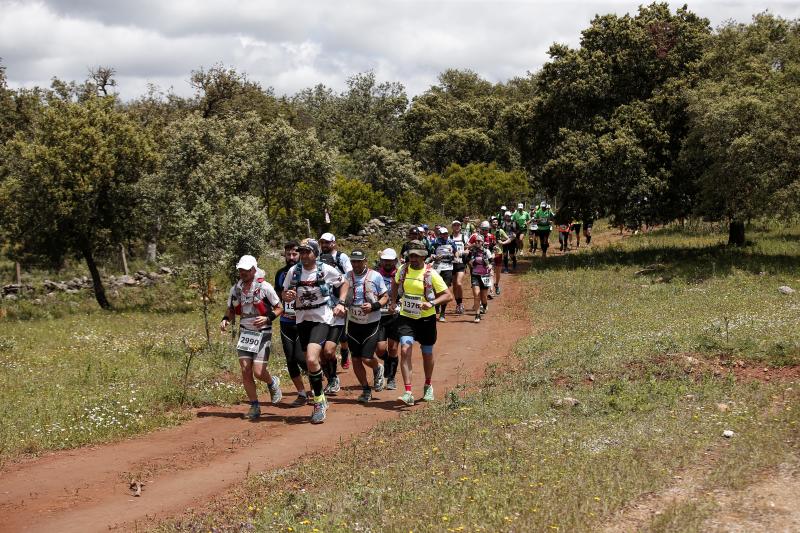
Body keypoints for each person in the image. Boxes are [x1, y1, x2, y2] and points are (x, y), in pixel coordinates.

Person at [282, 239, 349, 424]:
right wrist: (287, 295)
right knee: (312, 363)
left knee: (311, 359)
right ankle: (322, 396)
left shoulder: (325, 269)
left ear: (315, 253)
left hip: (322, 317)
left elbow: (344, 284)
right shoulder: (293, 271)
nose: (303, 256)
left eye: (307, 252)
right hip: (302, 319)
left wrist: (342, 303)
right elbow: (284, 291)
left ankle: (319, 403)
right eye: (301, 252)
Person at [221, 255, 284, 420]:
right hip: (245, 332)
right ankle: (255, 405)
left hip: (262, 332)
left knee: (258, 371)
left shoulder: (265, 287)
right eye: (241, 270)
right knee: (245, 369)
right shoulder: (235, 289)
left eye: (247, 270)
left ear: (254, 270)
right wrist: (225, 320)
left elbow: (279, 308)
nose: (243, 273)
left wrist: (267, 317)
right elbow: (231, 309)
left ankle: (272, 383)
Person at [390, 241, 452, 406]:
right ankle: (408, 392)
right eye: (411, 255)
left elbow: (447, 295)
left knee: (427, 353)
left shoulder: (431, 274)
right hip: (406, 317)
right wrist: (393, 301)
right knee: (405, 349)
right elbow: (395, 283)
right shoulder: (403, 270)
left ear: (424, 257)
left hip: (426, 319)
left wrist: (431, 304)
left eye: (417, 256)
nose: (414, 259)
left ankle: (428, 384)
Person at [344, 250, 389, 403]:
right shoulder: (347, 276)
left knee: (366, 357)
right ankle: (365, 389)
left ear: (365, 261)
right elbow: (341, 295)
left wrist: (374, 306)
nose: (355, 264)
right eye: (353, 262)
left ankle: (377, 368)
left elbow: (385, 296)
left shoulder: (375, 276)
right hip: (353, 323)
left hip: (371, 323)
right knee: (355, 359)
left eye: (359, 261)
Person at [274, 241, 310, 407]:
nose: (291, 257)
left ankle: (318, 384)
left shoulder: (307, 271)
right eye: (288, 254)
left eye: (294, 254)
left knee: (303, 359)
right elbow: (276, 296)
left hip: (304, 321)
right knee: (290, 359)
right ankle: (302, 394)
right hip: (286, 321)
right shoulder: (280, 273)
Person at [319, 232, 353, 372]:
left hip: (340, 297)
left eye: (327, 242)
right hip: (325, 301)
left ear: (334, 242)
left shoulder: (342, 257)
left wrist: (336, 278)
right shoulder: (318, 257)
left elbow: (350, 275)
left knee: (342, 334)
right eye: (322, 242)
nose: (325, 245)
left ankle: (344, 352)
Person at [376, 248, 401, 390]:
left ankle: (391, 377)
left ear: (395, 261)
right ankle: (387, 362)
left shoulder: (400, 275)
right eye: (385, 260)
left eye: (390, 260)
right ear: (381, 261)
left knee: (393, 347)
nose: (387, 263)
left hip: (395, 316)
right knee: (380, 350)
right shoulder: (375, 274)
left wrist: (398, 303)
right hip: (378, 316)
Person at [431, 226, 457, 322]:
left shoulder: (451, 242)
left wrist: (454, 256)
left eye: (446, 234)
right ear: (439, 234)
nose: (444, 235)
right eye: (442, 234)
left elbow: (456, 253)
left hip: (448, 267)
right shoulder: (434, 242)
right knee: (434, 288)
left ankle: (443, 313)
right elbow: (430, 252)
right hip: (437, 267)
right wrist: (433, 256)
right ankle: (435, 306)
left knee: (445, 288)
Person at [466, 236, 492, 323]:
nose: (477, 242)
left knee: (483, 296)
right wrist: (469, 262)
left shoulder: (486, 251)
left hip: (485, 276)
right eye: (476, 241)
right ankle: (477, 315)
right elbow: (467, 260)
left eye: (479, 241)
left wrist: (490, 266)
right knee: (476, 294)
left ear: (482, 242)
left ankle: (485, 305)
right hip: (475, 275)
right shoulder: (472, 251)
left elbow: (492, 261)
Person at [490, 217, 512, 295]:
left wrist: (503, 243)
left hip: (499, 253)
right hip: (489, 253)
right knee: (491, 272)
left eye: (496, 222)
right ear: (491, 223)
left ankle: (496, 285)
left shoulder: (500, 231)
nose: (495, 223)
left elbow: (509, 239)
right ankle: (491, 290)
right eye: (493, 222)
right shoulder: (487, 230)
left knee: (498, 273)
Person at [450, 220, 468, 314]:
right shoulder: (449, 237)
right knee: (454, 285)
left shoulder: (464, 237)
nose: (456, 227)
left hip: (461, 263)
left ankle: (461, 304)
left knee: (459, 283)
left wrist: (465, 252)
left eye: (458, 225)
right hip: (451, 263)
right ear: (452, 227)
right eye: (454, 225)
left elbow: (467, 248)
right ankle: (458, 304)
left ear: (460, 227)